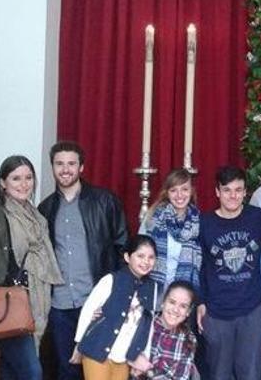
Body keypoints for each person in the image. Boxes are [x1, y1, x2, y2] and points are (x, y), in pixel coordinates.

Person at [38, 140, 129, 380]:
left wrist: (117, 297)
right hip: (60, 305)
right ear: (52, 167)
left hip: (97, 302)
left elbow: (123, 249)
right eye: (59, 164)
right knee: (67, 368)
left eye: (71, 163)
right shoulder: (45, 209)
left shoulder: (104, 201)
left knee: (100, 366)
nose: (65, 169)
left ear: (81, 167)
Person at [0, 155, 63, 380]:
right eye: (16, 178)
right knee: (32, 372)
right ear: (3, 183)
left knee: (11, 371)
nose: (24, 184)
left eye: (28, 178)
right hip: (9, 305)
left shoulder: (37, 217)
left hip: (34, 303)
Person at [197, 165, 261, 379]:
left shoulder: (259, 218)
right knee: (218, 374)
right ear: (217, 191)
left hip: (252, 311)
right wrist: (201, 302)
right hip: (216, 312)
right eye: (227, 190)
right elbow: (199, 266)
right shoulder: (204, 223)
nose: (233, 195)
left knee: (251, 374)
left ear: (245, 192)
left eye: (238, 190)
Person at [71, 235, 161, 380]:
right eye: (140, 256)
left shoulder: (153, 287)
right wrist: (79, 343)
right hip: (97, 348)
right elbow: (88, 310)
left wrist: (144, 354)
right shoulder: (111, 280)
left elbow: (148, 324)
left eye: (151, 257)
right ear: (127, 257)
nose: (146, 261)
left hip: (124, 355)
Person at [139, 168, 202, 291]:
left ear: (191, 191)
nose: (179, 195)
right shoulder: (153, 218)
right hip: (153, 290)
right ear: (167, 193)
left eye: (184, 189)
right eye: (174, 190)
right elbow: (138, 255)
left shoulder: (199, 222)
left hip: (185, 293)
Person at [131, 280, 199, 380]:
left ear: (188, 312)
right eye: (172, 302)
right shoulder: (142, 322)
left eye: (183, 306)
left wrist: (147, 370)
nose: (176, 309)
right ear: (163, 302)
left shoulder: (188, 339)